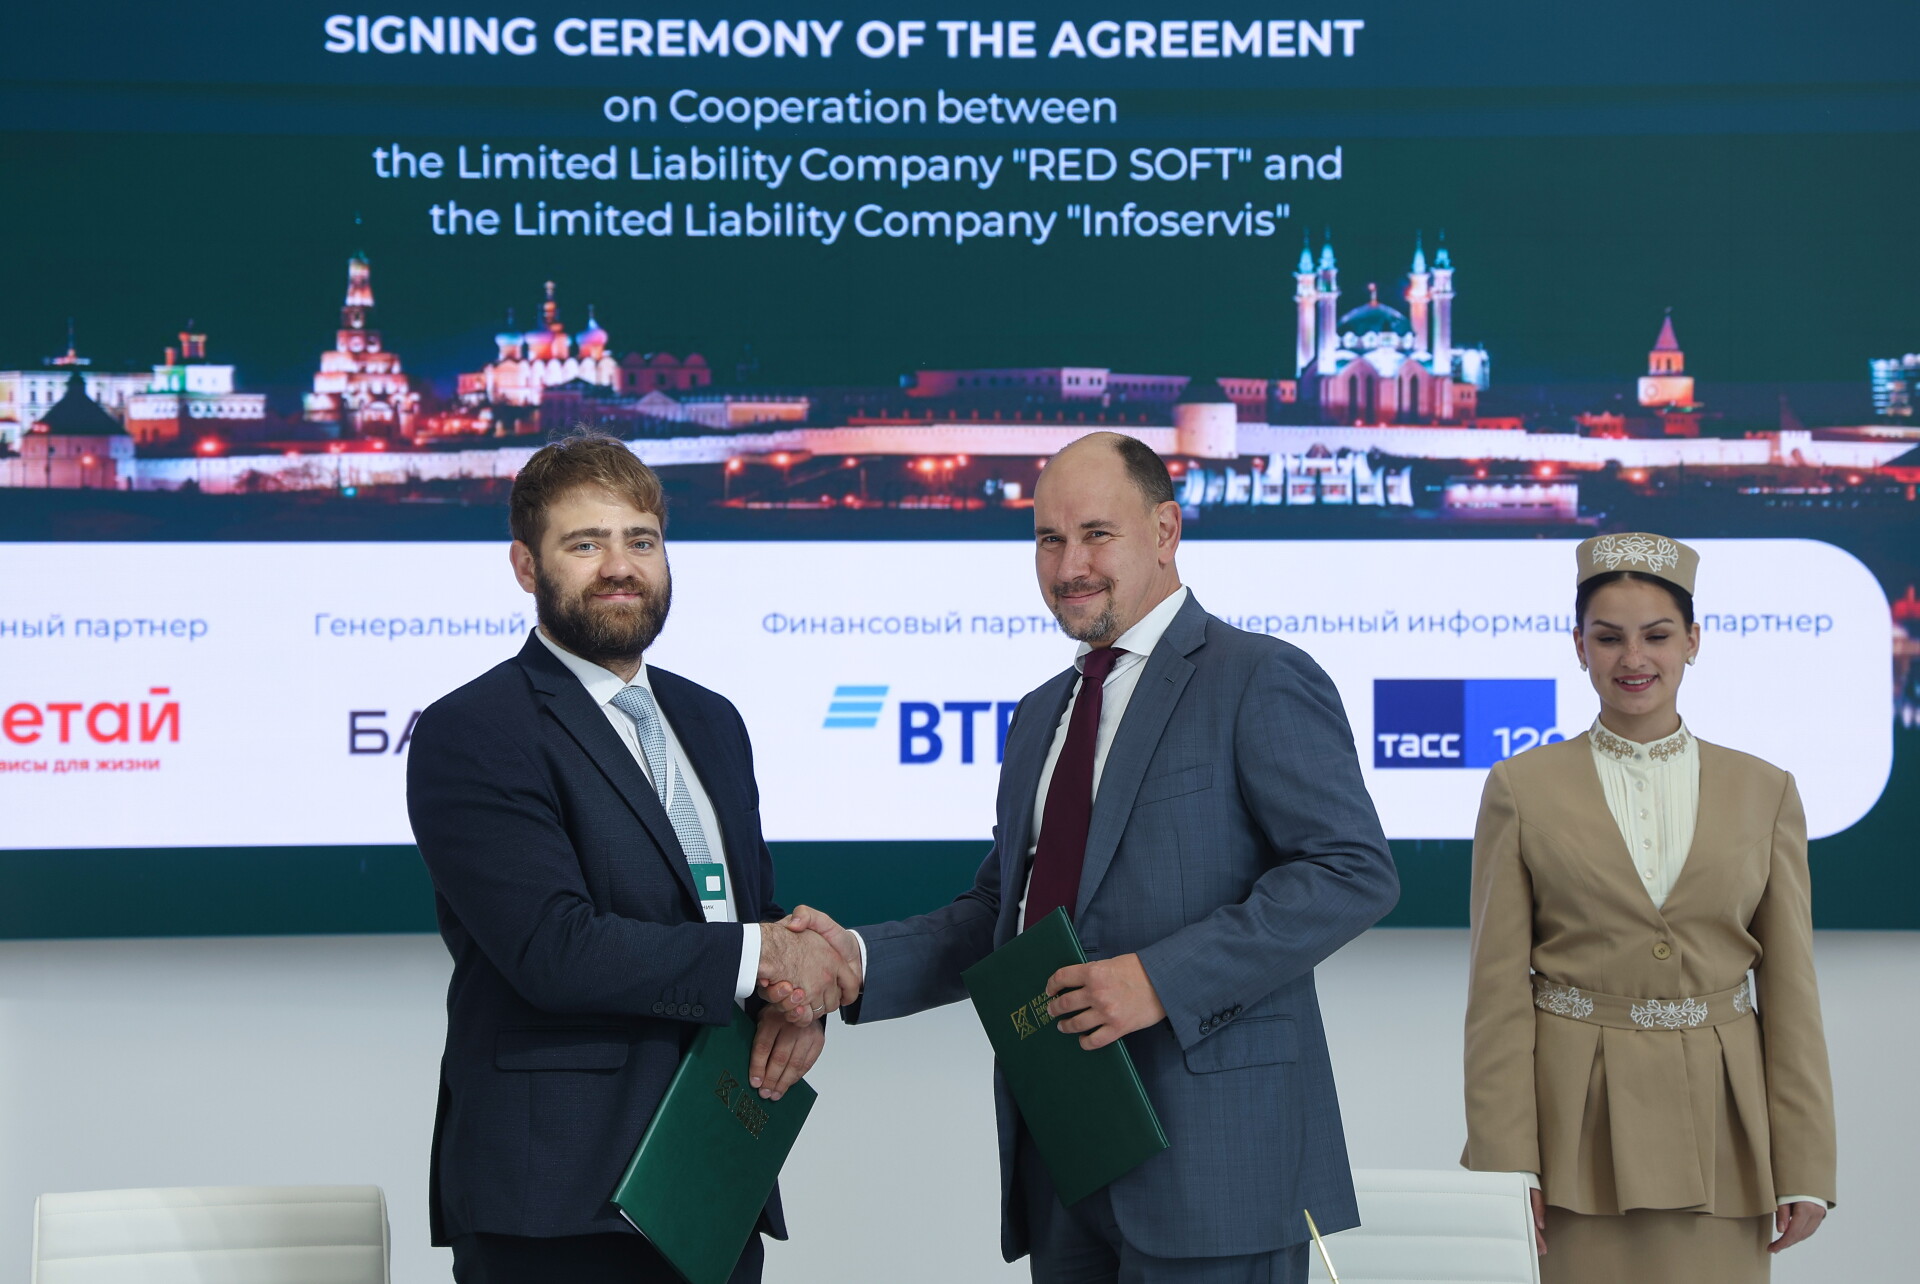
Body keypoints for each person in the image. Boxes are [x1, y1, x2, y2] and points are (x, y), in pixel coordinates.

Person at [777, 432, 1399, 1283]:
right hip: (1064, 1158)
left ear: (1166, 530)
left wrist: (1158, 981)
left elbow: (1351, 871)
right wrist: (854, 961)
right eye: (1049, 539)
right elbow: (1002, 911)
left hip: (1217, 1169)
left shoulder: (1258, 677)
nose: (1069, 565)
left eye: (1096, 534)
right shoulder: (1041, 714)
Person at [405, 431, 858, 1284]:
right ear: (526, 566)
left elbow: (740, 914)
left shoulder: (712, 720)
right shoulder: (475, 730)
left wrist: (797, 1004)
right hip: (555, 1202)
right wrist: (766, 957)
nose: (620, 567)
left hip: (713, 1176)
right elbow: (554, 949)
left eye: (640, 541)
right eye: (586, 544)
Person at [1462, 532, 1836, 1283]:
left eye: (1657, 636)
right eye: (1609, 638)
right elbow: (1496, 994)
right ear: (1580, 647)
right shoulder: (1519, 788)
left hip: (1725, 1131)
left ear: (1693, 641)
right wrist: (1506, 1161)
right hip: (1573, 1134)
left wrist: (1805, 1162)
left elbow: (1792, 989)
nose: (1633, 658)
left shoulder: (1766, 791)